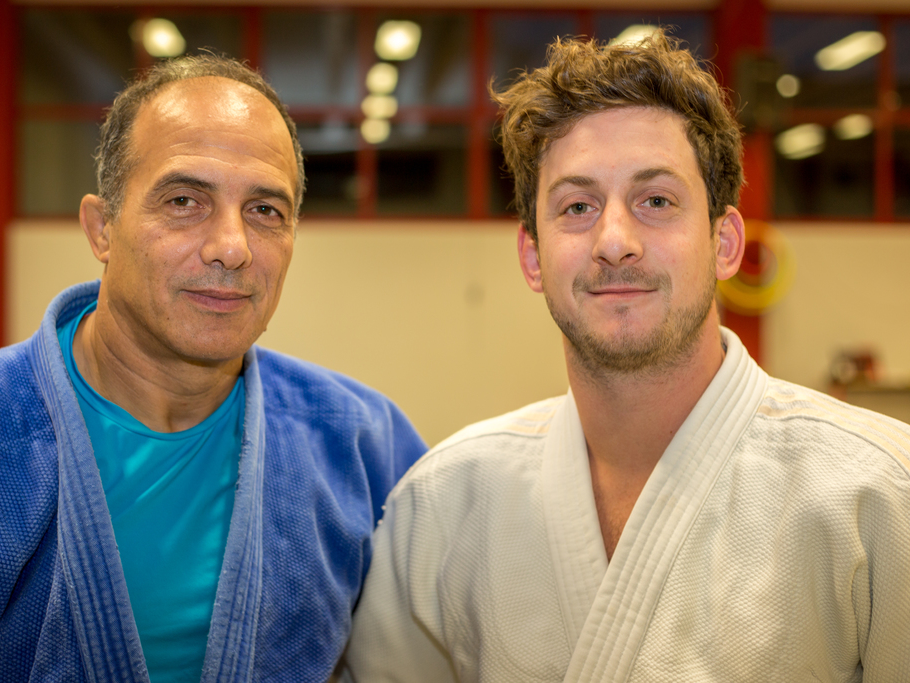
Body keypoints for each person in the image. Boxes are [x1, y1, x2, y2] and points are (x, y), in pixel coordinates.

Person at [342, 32, 910, 682]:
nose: (614, 241)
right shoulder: (444, 503)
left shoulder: (878, 497)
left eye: (656, 201)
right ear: (532, 257)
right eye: (577, 206)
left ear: (725, 243)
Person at [0, 55, 427, 683]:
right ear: (102, 229)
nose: (232, 247)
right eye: (184, 201)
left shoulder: (364, 445)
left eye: (265, 211)